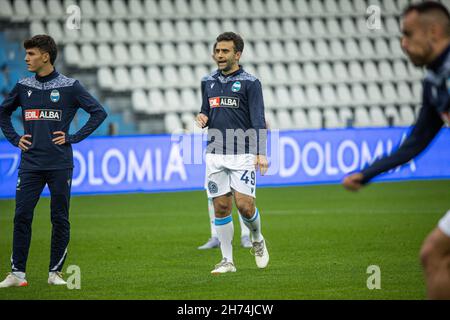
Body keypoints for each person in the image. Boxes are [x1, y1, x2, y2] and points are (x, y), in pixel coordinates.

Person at [342, 1, 450, 299]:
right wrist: (367, 174)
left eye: (408, 34)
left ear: (433, 31)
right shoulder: (434, 83)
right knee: (433, 255)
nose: (403, 43)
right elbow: (415, 142)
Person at [0, 35, 107, 288]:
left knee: (59, 218)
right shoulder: (23, 85)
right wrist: (15, 138)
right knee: (22, 216)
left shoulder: (70, 86)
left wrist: (73, 137)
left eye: (31, 54)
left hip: (59, 164)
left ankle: (55, 273)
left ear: (45, 56)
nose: (26, 58)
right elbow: (3, 112)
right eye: (26, 54)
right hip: (30, 164)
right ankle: (17, 274)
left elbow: (98, 112)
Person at [196, 32, 269, 274]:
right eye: (217, 51)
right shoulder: (207, 81)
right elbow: (206, 110)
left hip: (243, 152)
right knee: (221, 208)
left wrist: (261, 152)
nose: (219, 55)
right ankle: (227, 261)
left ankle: (257, 238)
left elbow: (258, 119)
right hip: (215, 153)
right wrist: (202, 117)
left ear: (237, 54)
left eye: (225, 51)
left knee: (245, 206)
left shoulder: (250, 82)